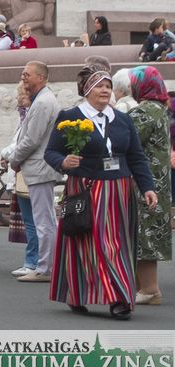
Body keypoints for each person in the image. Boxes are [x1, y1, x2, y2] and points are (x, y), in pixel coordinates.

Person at [45, 66, 158, 320]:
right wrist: (64, 162)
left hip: (119, 190)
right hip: (85, 188)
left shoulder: (123, 119)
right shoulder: (70, 117)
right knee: (83, 243)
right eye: (99, 86)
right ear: (87, 90)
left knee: (114, 245)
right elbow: (51, 152)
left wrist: (147, 187)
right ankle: (77, 293)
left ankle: (120, 298)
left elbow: (136, 157)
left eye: (108, 86)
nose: (105, 90)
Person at [8, 61, 63, 283]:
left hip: (40, 168)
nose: (23, 78)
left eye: (27, 75)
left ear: (40, 77)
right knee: (44, 219)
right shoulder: (43, 100)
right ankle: (47, 266)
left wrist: (14, 159)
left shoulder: (42, 103)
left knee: (44, 220)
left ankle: (45, 268)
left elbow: (32, 139)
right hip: (41, 167)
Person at [127, 66, 171, 305]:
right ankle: (143, 287)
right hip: (158, 181)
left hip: (143, 182)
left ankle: (149, 289)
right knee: (148, 232)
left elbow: (127, 143)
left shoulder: (143, 112)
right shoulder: (161, 109)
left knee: (143, 233)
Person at [1, 85, 38, 277]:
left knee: (32, 222)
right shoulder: (25, 117)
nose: (19, 99)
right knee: (34, 221)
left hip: (27, 174)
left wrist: (6, 154)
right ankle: (35, 261)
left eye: (22, 95)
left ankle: (32, 262)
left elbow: (21, 145)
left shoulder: (30, 117)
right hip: (25, 172)